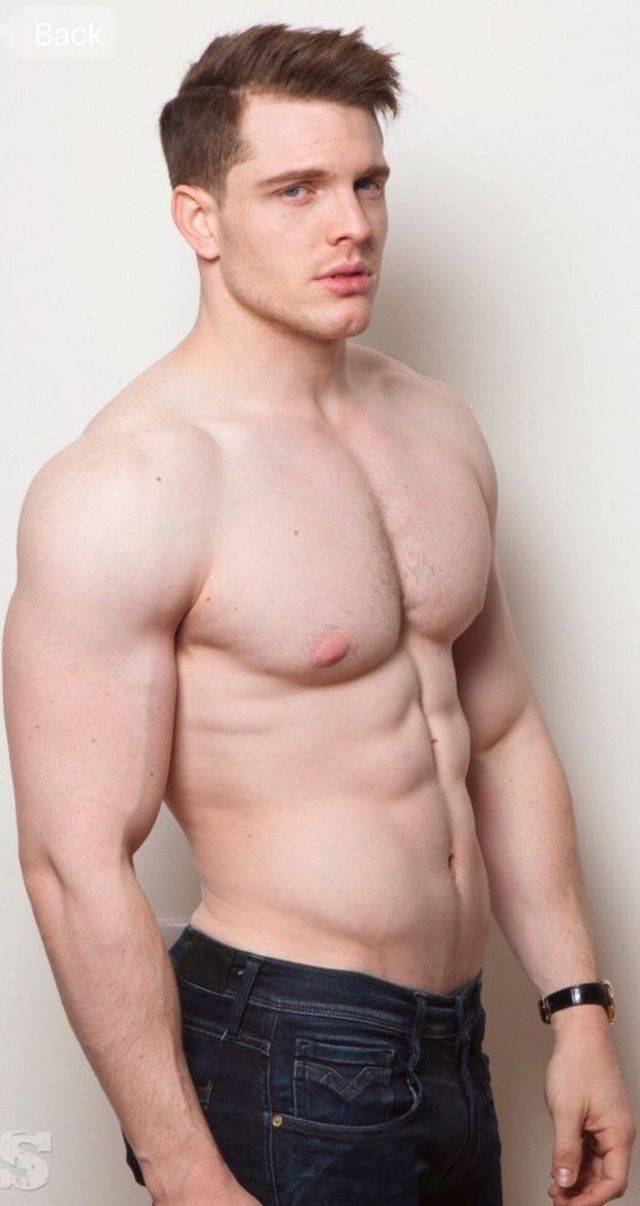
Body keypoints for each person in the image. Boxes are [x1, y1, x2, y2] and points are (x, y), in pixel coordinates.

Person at [3, 20, 635, 1206]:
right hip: (283, 1048)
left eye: (366, 183)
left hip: (456, 1037)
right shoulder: (132, 483)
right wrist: (181, 1168)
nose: (351, 224)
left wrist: (579, 1012)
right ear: (199, 220)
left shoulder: (435, 425)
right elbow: (70, 859)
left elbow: (498, 732)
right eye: (295, 190)